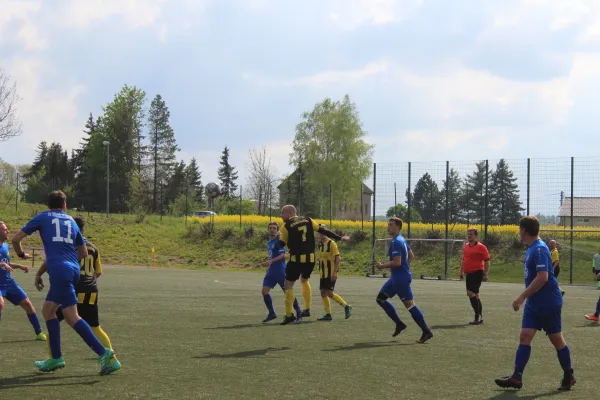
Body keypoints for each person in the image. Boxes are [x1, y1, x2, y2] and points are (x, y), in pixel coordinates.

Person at [11, 190, 114, 374]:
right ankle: (56, 358)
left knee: (72, 316)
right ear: (65, 205)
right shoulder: (71, 221)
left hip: (59, 271)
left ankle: (102, 352)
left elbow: (16, 239)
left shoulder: (42, 217)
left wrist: (20, 254)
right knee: (49, 311)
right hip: (73, 270)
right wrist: (68, 262)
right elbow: (83, 253)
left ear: (48, 204)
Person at [495, 216, 575, 391]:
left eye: (519, 229)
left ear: (524, 230)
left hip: (547, 303)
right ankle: (516, 377)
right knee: (525, 336)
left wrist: (521, 297)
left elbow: (543, 278)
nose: (518, 232)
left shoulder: (539, 249)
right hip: (534, 303)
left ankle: (569, 375)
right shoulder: (532, 248)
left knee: (557, 340)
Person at [35, 215, 121, 372]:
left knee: (51, 316)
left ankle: (53, 358)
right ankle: (113, 361)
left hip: (74, 289)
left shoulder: (67, 246)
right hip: (92, 290)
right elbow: (98, 272)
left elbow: (54, 261)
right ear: (83, 229)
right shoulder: (94, 248)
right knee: (95, 327)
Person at [277, 205, 349, 325]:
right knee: (304, 280)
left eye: (282, 213)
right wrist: (339, 238)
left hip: (296, 260)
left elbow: (280, 245)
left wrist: (276, 239)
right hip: (310, 260)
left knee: (288, 285)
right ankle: (307, 308)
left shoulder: (286, 225)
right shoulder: (308, 219)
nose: (281, 216)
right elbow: (323, 230)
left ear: (289, 213)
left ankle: (289, 314)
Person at [375, 217, 433, 343]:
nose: (388, 227)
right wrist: (404, 268)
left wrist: (382, 266)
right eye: (388, 224)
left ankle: (426, 331)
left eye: (391, 225)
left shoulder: (397, 242)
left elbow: (397, 263)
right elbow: (411, 256)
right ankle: (399, 324)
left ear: (398, 227)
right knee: (380, 299)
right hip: (396, 278)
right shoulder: (401, 239)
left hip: (400, 280)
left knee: (410, 305)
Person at [0, 221, 47, 341]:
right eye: (5, 229)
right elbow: (3, 264)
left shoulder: (5, 246)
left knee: (28, 305)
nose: (8, 231)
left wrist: (19, 266)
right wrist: (3, 264)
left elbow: (6, 263)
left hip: (8, 282)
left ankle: (39, 333)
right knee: (0, 304)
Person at [261, 221, 302, 323]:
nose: (272, 229)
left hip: (280, 271)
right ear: (268, 229)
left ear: (277, 230)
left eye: (274, 228)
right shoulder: (269, 242)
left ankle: (298, 312)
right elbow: (272, 255)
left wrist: (271, 261)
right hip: (271, 272)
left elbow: (283, 255)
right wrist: (270, 264)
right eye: (270, 228)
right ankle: (271, 313)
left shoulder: (279, 241)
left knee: (288, 292)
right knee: (264, 291)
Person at [316, 227, 351, 321]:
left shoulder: (332, 243)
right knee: (323, 292)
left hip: (330, 272)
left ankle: (346, 306)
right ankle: (328, 314)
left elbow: (338, 259)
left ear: (327, 233)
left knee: (329, 293)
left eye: (323, 232)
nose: (321, 234)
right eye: (320, 232)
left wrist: (334, 273)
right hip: (323, 273)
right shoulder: (320, 244)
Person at [459, 228, 490, 325]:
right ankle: (479, 317)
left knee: (470, 293)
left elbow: (487, 261)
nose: (469, 236)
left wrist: (485, 273)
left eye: (471, 234)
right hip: (469, 274)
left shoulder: (482, 247)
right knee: (475, 295)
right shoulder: (466, 246)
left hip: (477, 273)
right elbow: (464, 260)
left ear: (476, 236)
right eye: (468, 234)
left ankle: (477, 316)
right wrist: (461, 271)